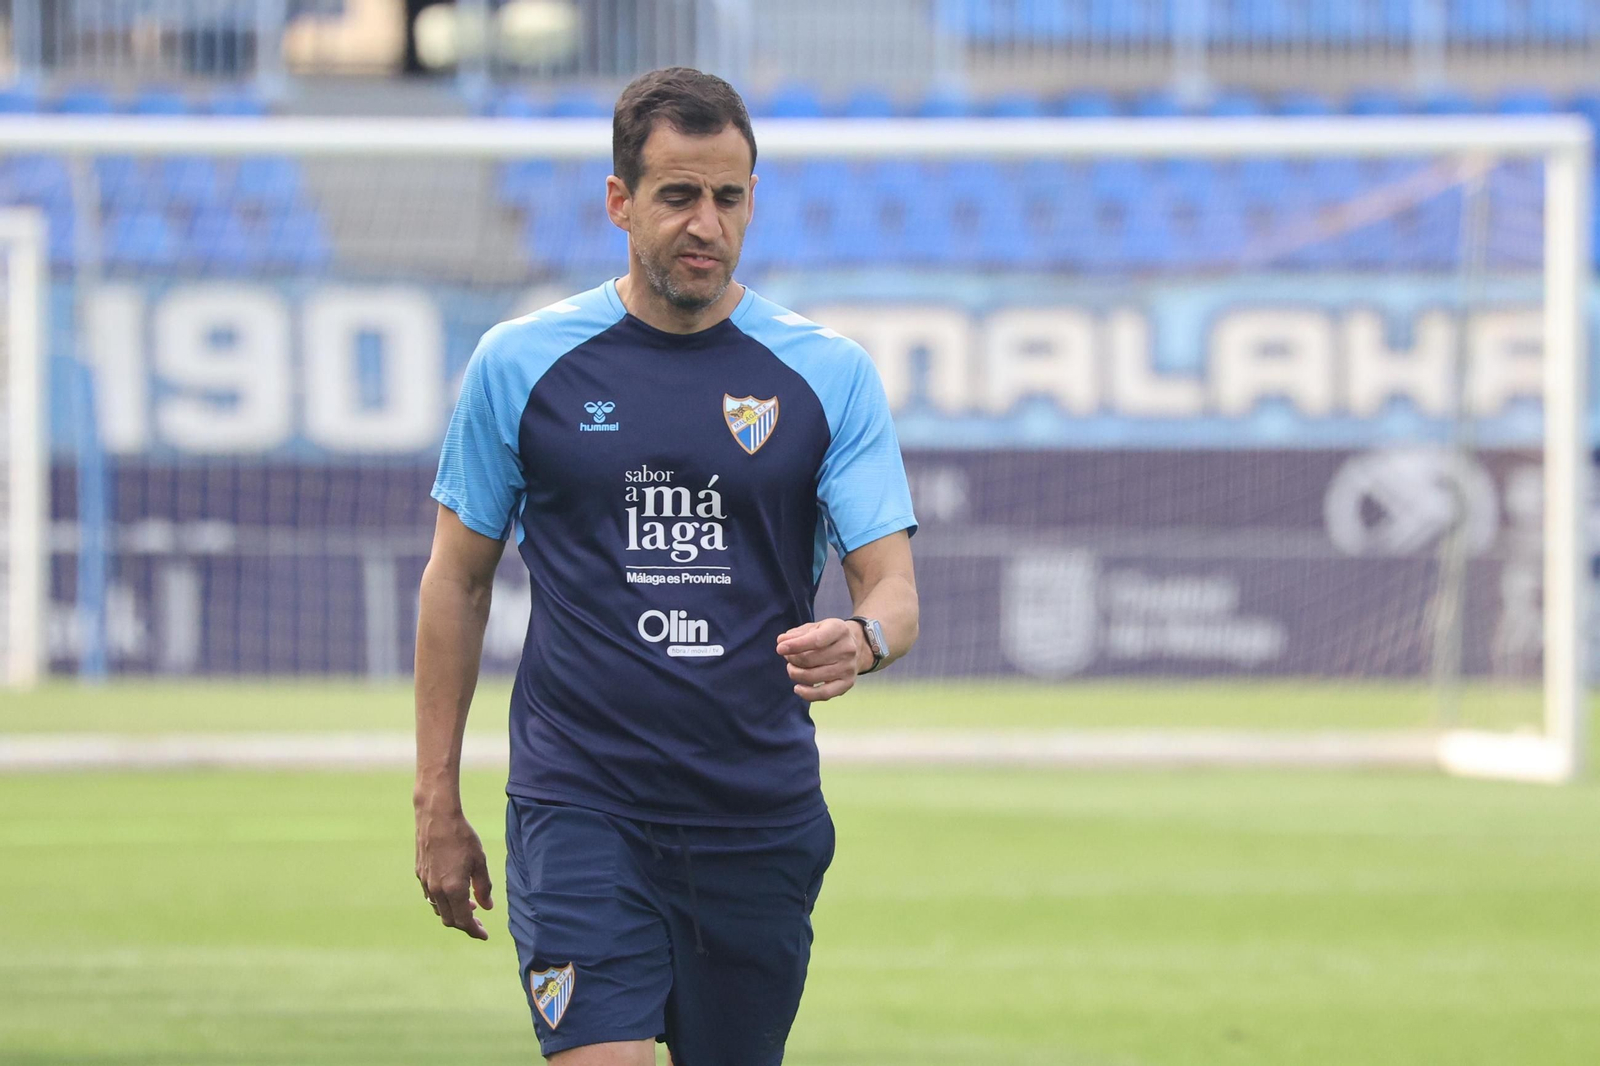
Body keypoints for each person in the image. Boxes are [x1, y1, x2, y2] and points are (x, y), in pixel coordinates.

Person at [413, 66, 919, 1066]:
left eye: (727, 198)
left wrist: (862, 640)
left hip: (756, 814)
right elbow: (456, 580)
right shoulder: (520, 363)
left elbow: (892, 588)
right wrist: (436, 794)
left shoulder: (826, 373)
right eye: (677, 195)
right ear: (619, 202)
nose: (705, 222)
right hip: (579, 802)